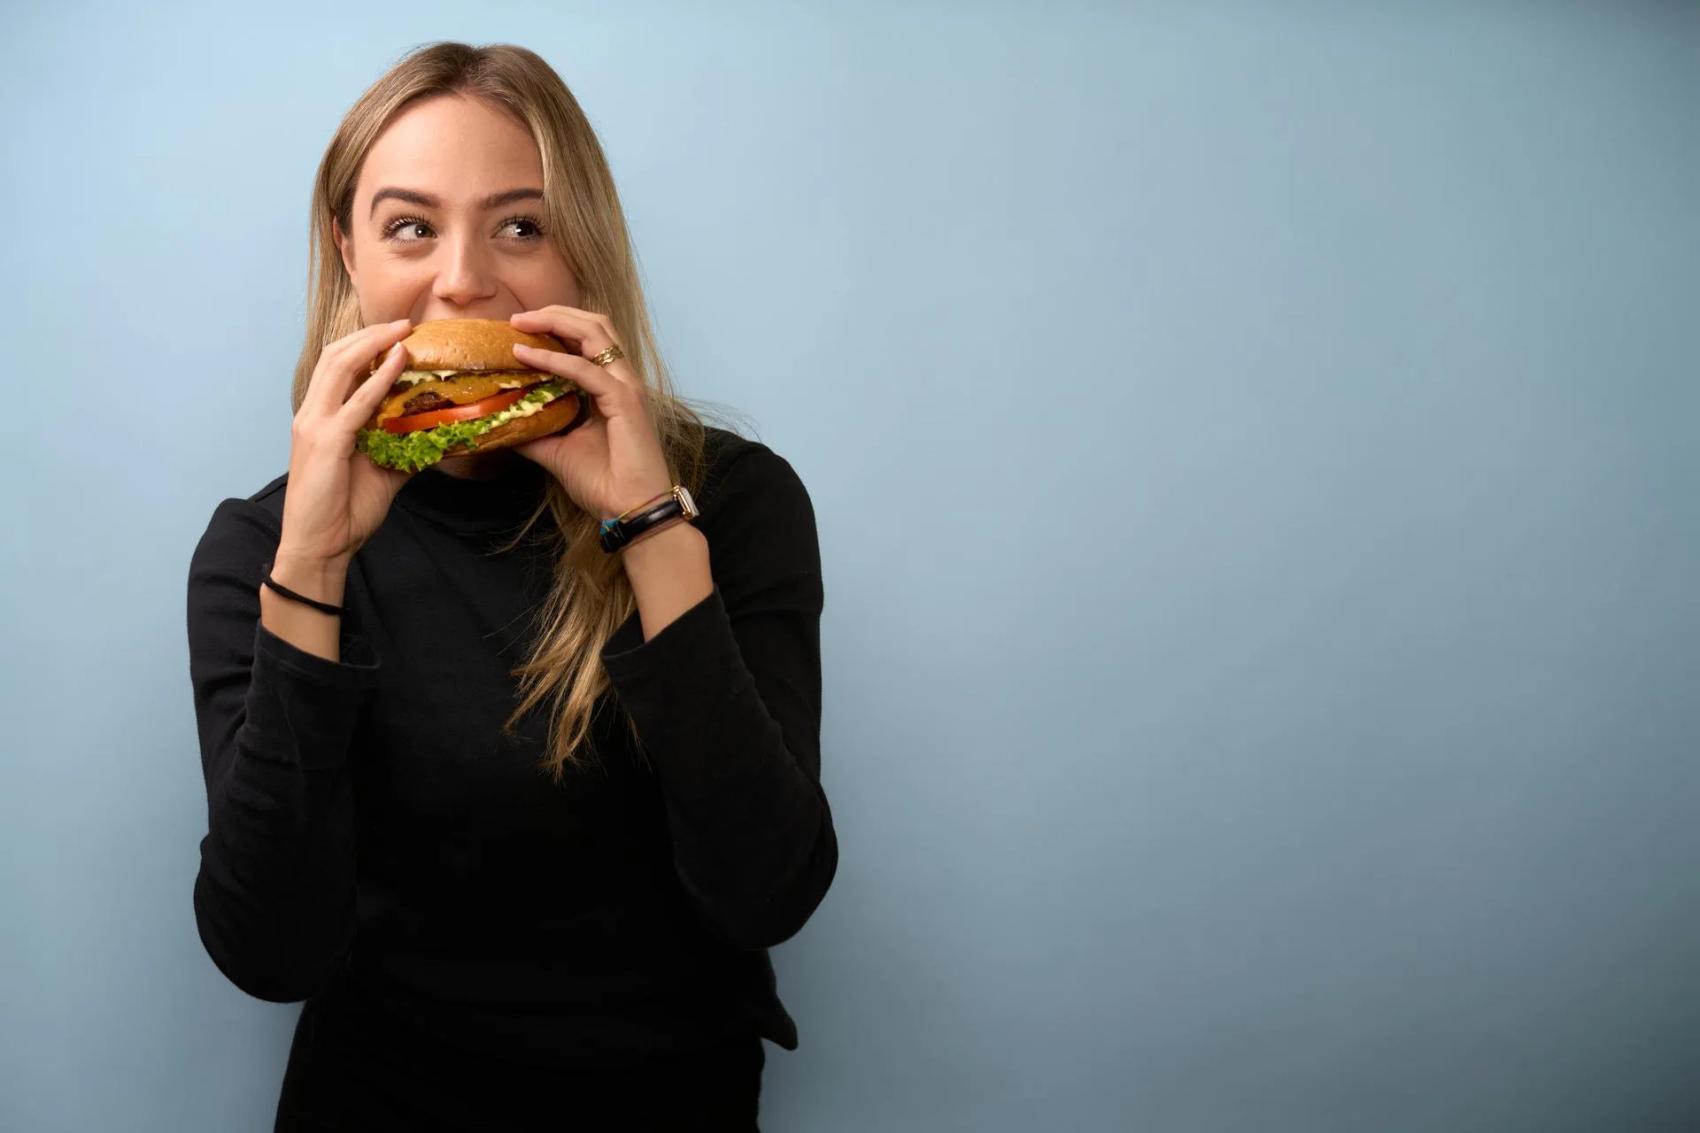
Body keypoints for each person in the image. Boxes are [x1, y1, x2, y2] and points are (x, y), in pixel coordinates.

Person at [184, 41, 836, 1131]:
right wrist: (310, 573)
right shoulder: (263, 543)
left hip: (673, 1096)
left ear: (582, 252)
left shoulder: (732, 499)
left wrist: (649, 528)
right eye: (409, 226)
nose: (462, 279)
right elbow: (267, 949)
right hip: (377, 1097)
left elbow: (768, 889)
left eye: (520, 226)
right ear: (347, 253)